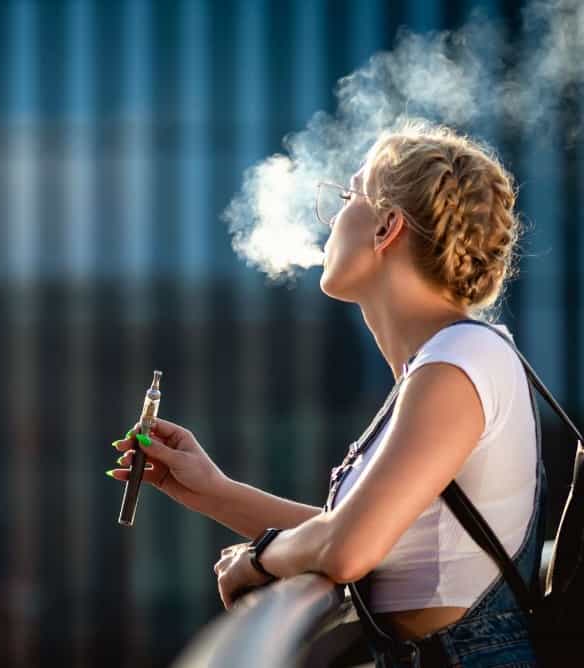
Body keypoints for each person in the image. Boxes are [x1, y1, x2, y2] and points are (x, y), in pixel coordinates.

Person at [107, 120, 546, 667]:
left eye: (347, 197)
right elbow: (366, 535)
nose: (333, 219)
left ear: (387, 227)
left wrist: (261, 560)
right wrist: (210, 489)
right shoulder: (445, 363)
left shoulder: (456, 365)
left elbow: (348, 549)